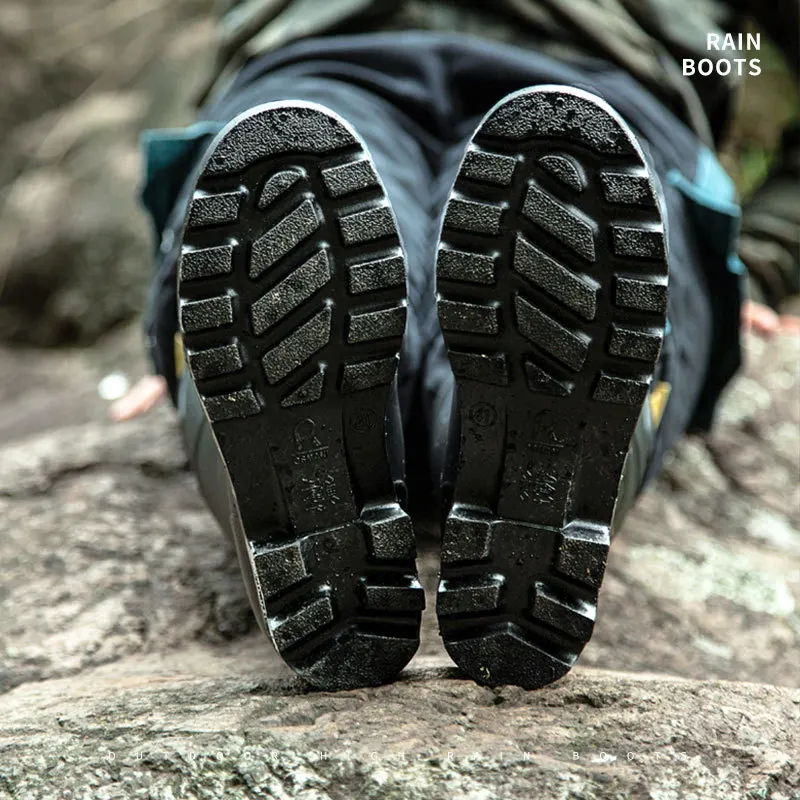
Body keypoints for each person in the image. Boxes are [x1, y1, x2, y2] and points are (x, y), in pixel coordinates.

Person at [113, 0, 799, 691]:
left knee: (570, 182)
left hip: (578, 92)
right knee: (280, 176)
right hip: (344, 70)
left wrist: (769, 256)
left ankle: (303, 505)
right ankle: (520, 493)